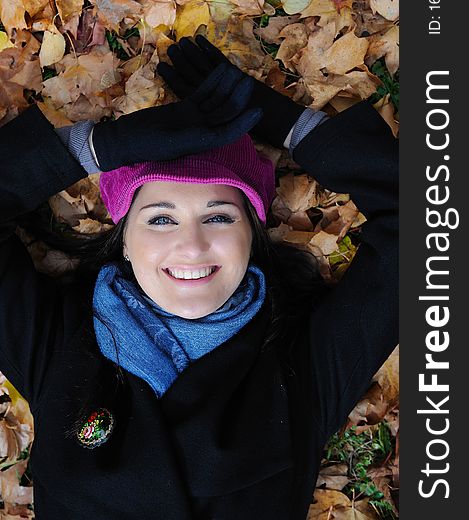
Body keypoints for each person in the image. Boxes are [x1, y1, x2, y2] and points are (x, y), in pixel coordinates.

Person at [0, 36, 398, 520]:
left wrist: (279, 120)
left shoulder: (301, 364)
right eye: (161, 219)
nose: (191, 245)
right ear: (124, 240)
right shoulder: (61, 343)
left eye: (219, 217)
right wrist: (100, 146)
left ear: (252, 235)